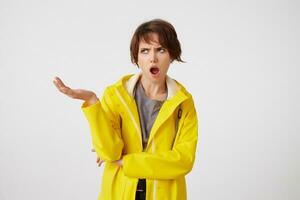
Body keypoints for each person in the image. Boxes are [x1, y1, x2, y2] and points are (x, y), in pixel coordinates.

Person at [53, 19, 198, 200]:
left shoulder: (183, 103)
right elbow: (109, 152)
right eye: (145, 51)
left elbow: (183, 161)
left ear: (172, 55)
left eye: (160, 50)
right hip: (119, 192)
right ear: (136, 58)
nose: (153, 58)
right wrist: (91, 102)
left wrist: (126, 161)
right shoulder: (115, 95)